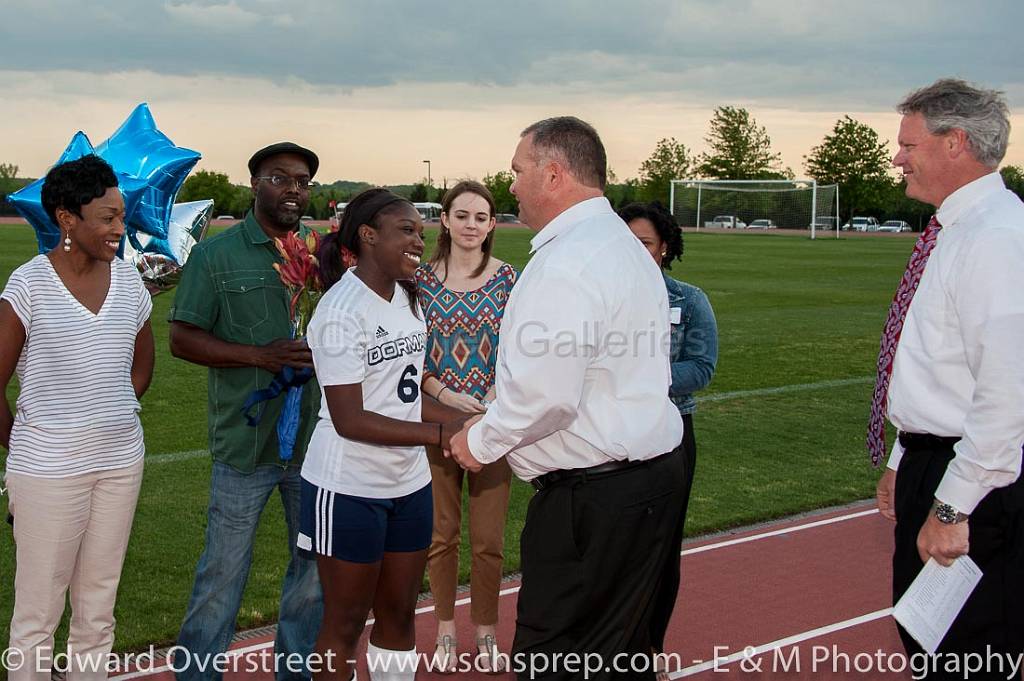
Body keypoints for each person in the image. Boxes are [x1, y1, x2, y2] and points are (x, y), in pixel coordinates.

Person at [448, 117, 686, 681]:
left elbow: (547, 398)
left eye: (518, 170)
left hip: (592, 496)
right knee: (623, 650)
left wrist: (478, 441)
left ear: (553, 174)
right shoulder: (621, 246)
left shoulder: (567, 262)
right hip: (646, 477)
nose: (510, 184)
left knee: (555, 655)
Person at [871, 79, 1024, 677]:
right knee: (930, 643)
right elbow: (943, 367)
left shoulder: (996, 240)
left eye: (908, 143)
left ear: (955, 142)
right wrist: (901, 457)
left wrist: (954, 508)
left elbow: (1008, 391)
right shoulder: (957, 230)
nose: (897, 157)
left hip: (974, 480)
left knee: (970, 652)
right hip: (932, 463)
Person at [169, 142, 323, 680]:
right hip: (244, 445)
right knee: (221, 577)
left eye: (301, 181)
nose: (293, 190)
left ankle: (295, 673)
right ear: (255, 183)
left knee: (312, 577)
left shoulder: (320, 253)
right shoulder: (217, 255)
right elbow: (182, 339)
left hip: (314, 446)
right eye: (280, 179)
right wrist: (259, 356)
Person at [302, 187, 470, 681]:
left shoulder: (408, 298)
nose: (420, 240)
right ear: (368, 236)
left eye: (421, 230)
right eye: (407, 230)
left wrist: (461, 422)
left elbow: (405, 393)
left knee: (398, 616)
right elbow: (350, 419)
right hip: (348, 486)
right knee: (346, 620)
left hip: (409, 485)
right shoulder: (339, 311)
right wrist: (440, 436)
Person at [1, 154, 155, 681]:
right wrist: (29, 445)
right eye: (107, 218)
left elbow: (140, 367)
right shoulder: (29, 287)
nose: (120, 227)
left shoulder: (130, 282)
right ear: (67, 218)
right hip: (47, 471)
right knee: (37, 616)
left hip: (119, 463)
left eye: (122, 215)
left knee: (98, 607)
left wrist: (110, 411)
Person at [414, 180, 517, 673]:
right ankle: (446, 632)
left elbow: (520, 349)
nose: (471, 225)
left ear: (492, 224)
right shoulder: (421, 280)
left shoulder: (508, 280)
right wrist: (441, 393)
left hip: (493, 423)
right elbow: (411, 354)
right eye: (462, 215)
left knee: (488, 541)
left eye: (481, 217)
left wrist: (495, 394)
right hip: (439, 420)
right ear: (446, 221)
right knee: (442, 535)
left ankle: (487, 631)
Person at [621, 201, 717, 680]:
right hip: (611, 438)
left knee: (661, 547)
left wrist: (641, 377)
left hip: (671, 435)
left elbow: (701, 368)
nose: (637, 252)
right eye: (628, 243)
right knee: (616, 546)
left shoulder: (689, 300)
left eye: (646, 244)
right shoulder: (603, 299)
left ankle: (651, 645)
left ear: (663, 249)